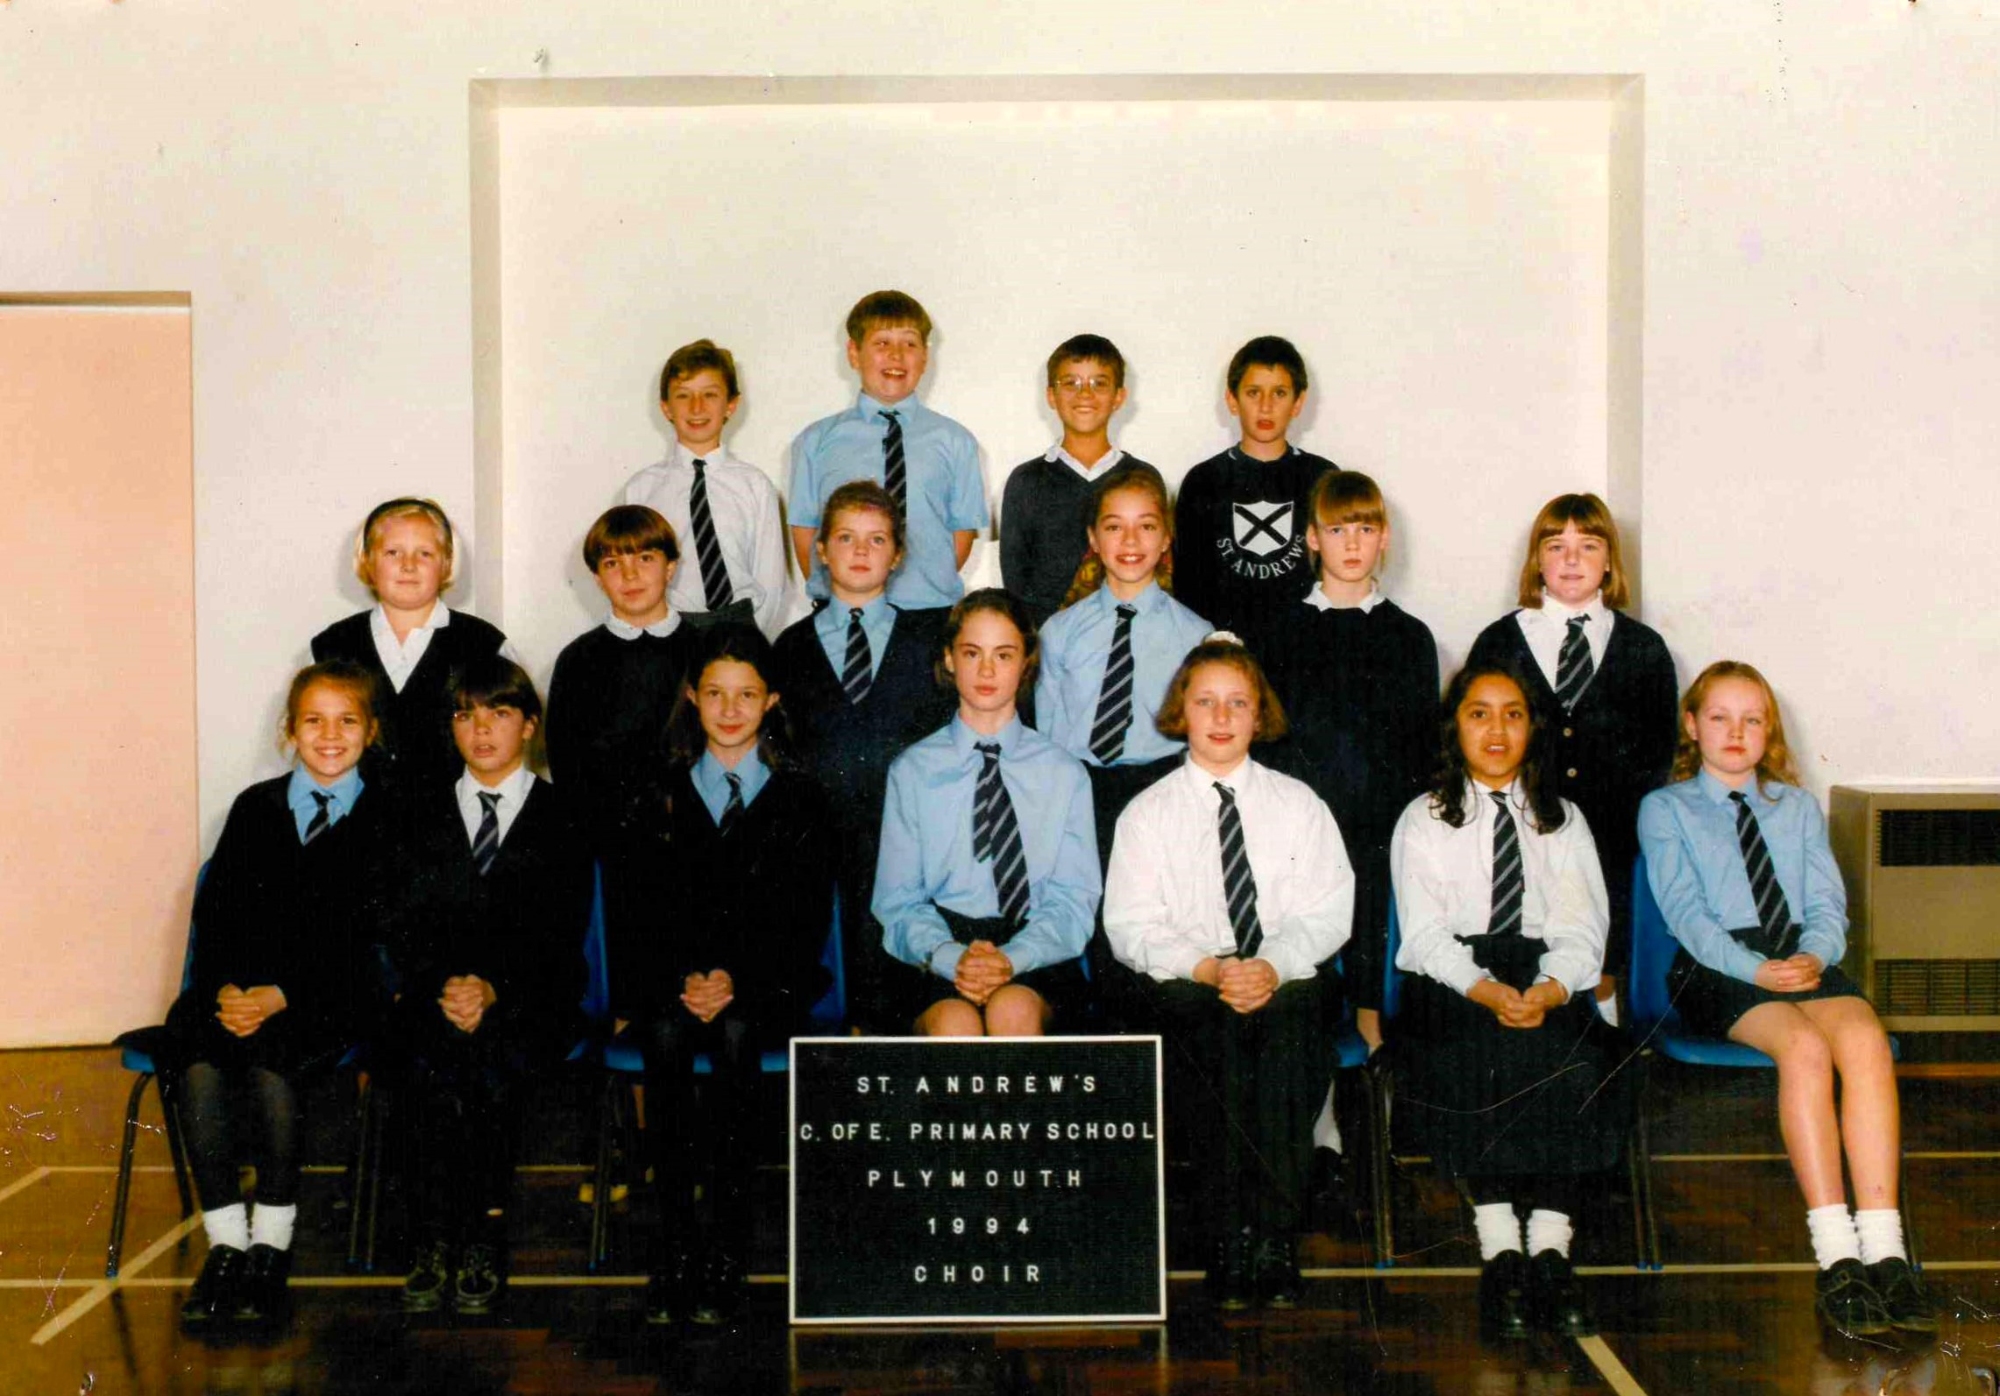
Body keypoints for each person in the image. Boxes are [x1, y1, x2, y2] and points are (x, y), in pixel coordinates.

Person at [1638, 660, 1932, 1336]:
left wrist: (1814, 956)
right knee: (1802, 1048)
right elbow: (1686, 916)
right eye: (1720, 717)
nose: (1736, 732)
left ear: (1769, 729)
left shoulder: (1795, 806)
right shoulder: (1666, 808)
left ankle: (1886, 1252)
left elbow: (1827, 902)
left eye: (1752, 719)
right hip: (1717, 964)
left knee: (1864, 1039)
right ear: (1692, 725)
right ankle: (1837, 1258)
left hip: (1799, 955)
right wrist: (1755, 969)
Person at [1103, 635, 1352, 1309]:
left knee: (1289, 1028)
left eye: (1237, 702)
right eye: (1205, 701)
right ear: (1180, 711)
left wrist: (1270, 965)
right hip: (1192, 978)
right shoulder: (1147, 813)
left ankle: (1273, 1235)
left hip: (1283, 973)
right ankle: (1227, 1235)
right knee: (1208, 1033)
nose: (1221, 717)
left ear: (1258, 714)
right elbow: (1131, 926)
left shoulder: (1299, 804)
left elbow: (1329, 911)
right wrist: (1210, 969)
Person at [603, 625, 836, 1326]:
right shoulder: (656, 793)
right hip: (673, 984)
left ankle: (728, 1250)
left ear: (772, 701)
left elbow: (802, 922)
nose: (730, 710)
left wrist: (737, 981)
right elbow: (636, 913)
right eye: (714, 694)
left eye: (746, 695)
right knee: (667, 1036)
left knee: (738, 1034)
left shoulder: (801, 798)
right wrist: (685, 981)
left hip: (765, 984)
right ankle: (676, 1246)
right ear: (691, 698)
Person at [1389, 662, 1628, 1339]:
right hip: (1456, 976)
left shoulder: (1564, 819)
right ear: (1454, 727)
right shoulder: (1423, 818)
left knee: (1576, 1058)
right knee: (1476, 1053)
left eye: (1513, 714)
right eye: (1479, 713)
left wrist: (1553, 987)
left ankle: (1550, 1248)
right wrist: (1486, 989)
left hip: (1544, 967)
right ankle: (1500, 1252)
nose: (1497, 729)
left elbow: (1583, 926)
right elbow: (1425, 935)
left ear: (1534, 728)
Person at [170, 662, 390, 1332]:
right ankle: (225, 1246)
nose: (330, 735)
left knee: (274, 1061)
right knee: (199, 1060)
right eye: (313, 720)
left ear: (371, 731)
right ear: (289, 731)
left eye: (347, 720)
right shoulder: (254, 808)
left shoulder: (392, 814)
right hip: (237, 993)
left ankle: (270, 1243)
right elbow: (217, 918)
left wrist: (282, 996)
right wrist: (228, 991)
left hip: (331, 997)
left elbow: (372, 940)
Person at [384, 657, 591, 1314]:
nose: (481, 730)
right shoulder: (419, 811)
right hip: (437, 994)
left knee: (492, 1059)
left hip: (531, 995)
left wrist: (495, 988)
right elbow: (403, 922)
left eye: (499, 714)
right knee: (424, 1058)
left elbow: (561, 933)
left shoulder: (565, 815)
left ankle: (482, 1234)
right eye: (465, 715)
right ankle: (431, 1236)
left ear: (528, 725)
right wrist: (448, 987)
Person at [1465, 492, 1677, 1020]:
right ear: (1537, 560)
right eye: (1556, 546)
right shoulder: (1499, 642)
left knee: (1599, 967)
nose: (1572, 559)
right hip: (1519, 835)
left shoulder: (1645, 648)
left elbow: (1656, 757)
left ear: (1610, 561)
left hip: (1612, 842)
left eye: (1589, 546)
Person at [1262, 468, 1438, 1052]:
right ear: (1313, 539)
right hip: (1295, 826)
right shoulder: (1278, 631)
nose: (1353, 543)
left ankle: (1369, 1044)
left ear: (1384, 537)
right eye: (1338, 530)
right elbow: (1266, 740)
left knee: (1369, 936)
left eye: (1365, 528)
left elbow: (1419, 748)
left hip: (1376, 824)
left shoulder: (1410, 637)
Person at [873, 589, 1098, 1036]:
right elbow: (898, 901)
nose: (987, 670)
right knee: (954, 1023)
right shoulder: (912, 770)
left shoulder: (1065, 773)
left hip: (1035, 947)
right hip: (936, 945)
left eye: (1004, 654)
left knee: (1012, 1011)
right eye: (972, 653)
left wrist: (1012, 958)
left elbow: (1073, 900)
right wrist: (951, 957)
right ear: (949, 659)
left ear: (1026, 663)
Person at [770, 480, 953, 1030]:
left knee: (890, 983)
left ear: (897, 556)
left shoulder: (927, 642)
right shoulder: (789, 647)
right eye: (846, 538)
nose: (860, 551)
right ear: (821, 550)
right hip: (815, 838)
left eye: (877, 540)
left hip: (903, 840)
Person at [1034, 462, 1209, 988]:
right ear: (1093, 538)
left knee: (1151, 921)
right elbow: (1049, 735)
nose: (1130, 541)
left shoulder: (1196, 635)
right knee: (1085, 918)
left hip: (1161, 786)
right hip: (1083, 788)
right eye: (1114, 526)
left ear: (1166, 537)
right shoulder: (1060, 632)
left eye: (1146, 526)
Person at [788, 290, 988, 615]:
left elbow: (962, 532)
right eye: (881, 343)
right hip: (844, 610)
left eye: (909, 344)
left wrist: (923, 588)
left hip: (927, 610)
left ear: (925, 357)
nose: (896, 355)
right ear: (854, 354)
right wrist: (839, 594)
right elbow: (804, 529)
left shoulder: (956, 441)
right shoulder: (816, 441)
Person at [310, 497, 507, 798]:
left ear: (446, 564)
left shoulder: (485, 644)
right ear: (367, 562)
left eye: (425, 554)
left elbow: (508, 746)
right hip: (356, 815)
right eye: (393, 552)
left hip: (454, 816)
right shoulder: (332, 646)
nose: (408, 565)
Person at [544, 505, 698, 848]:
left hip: (696, 832)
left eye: (645, 558)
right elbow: (566, 764)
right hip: (610, 840)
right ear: (598, 578)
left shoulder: (704, 648)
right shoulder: (577, 660)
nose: (630, 575)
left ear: (670, 568)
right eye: (613, 563)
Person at [1169, 336, 1334, 650]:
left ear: (1298, 403)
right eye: (1253, 392)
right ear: (1232, 400)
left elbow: (1335, 578)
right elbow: (1189, 587)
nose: (1266, 406)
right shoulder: (1203, 481)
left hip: (1307, 652)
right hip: (1227, 652)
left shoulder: (1321, 478)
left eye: (1279, 393)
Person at [621, 339, 789, 637]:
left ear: (731, 405)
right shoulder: (642, 489)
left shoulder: (755, 485)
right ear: (666, 408)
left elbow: (771, 577)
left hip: (739, 624)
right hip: (669, 627)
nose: (696, 407)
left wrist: (752, 638)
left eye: (710, 394)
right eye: (683, 395)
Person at [999, 334, 1156, 628]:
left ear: (1119, 397)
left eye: (1099, 383)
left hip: (1129, 634)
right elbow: (1016, 586)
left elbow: (1158, 572)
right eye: (1071, 383)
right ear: (1051, 396)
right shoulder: (1026, 481)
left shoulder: (1143, 478)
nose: (1085, 394)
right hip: (1049, 640)